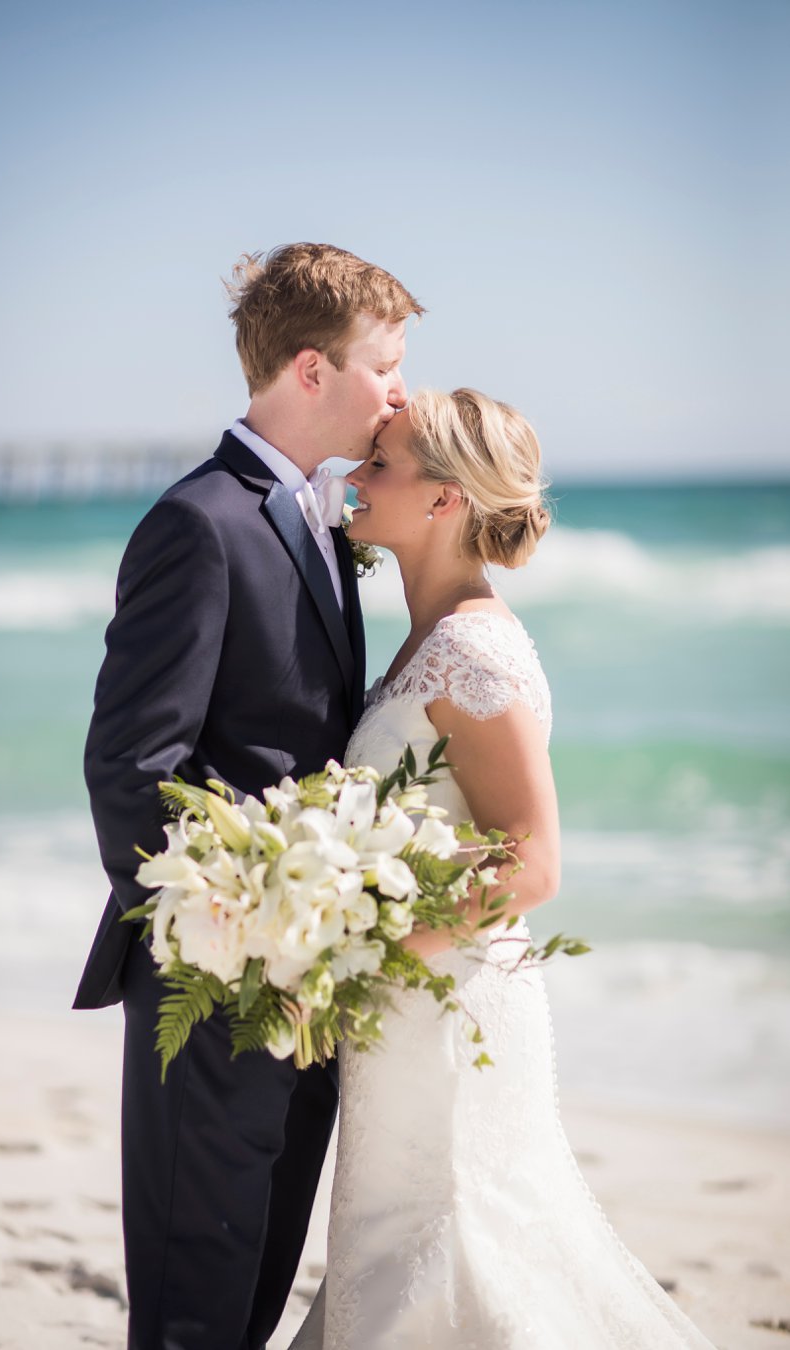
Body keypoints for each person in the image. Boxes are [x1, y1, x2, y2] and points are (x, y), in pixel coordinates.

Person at [291, 389, 717, 1348]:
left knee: (457, 1258)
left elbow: (533, 862)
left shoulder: (475, 651)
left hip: (448, 1014)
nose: (353, 480)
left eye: (382, 465)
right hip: (409, 1014)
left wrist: (364, 959)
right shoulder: (424, 634)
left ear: (445, 500)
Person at [74, 242, 423, 1350]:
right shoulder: (201, 523)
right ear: (312, 372)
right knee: (194, 1310)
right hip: (221, 988)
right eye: (388, 365)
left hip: (305, 984)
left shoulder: (317, 518)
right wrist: (231, 938)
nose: (402, 392)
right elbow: (133, 768)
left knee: (253, 1296)